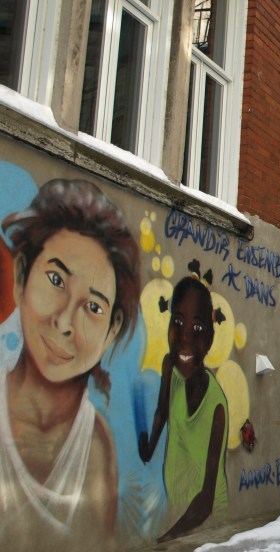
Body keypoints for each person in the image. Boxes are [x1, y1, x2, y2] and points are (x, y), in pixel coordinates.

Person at [0, 178, 141, 550]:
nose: (65, 323)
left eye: (93, 307)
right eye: (55, 279)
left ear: (111, 331)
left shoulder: (96, 446)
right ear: (20, 277)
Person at [139, 265, 229, 542]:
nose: (185, 336)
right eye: (177, 322)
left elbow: (206, 501)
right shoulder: (171, 368)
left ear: (211, 339)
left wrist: (167, 539)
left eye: (198, 327)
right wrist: (148, 448)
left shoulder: (216, 408)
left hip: (207, 523)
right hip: (174, 505)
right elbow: (162, 411)